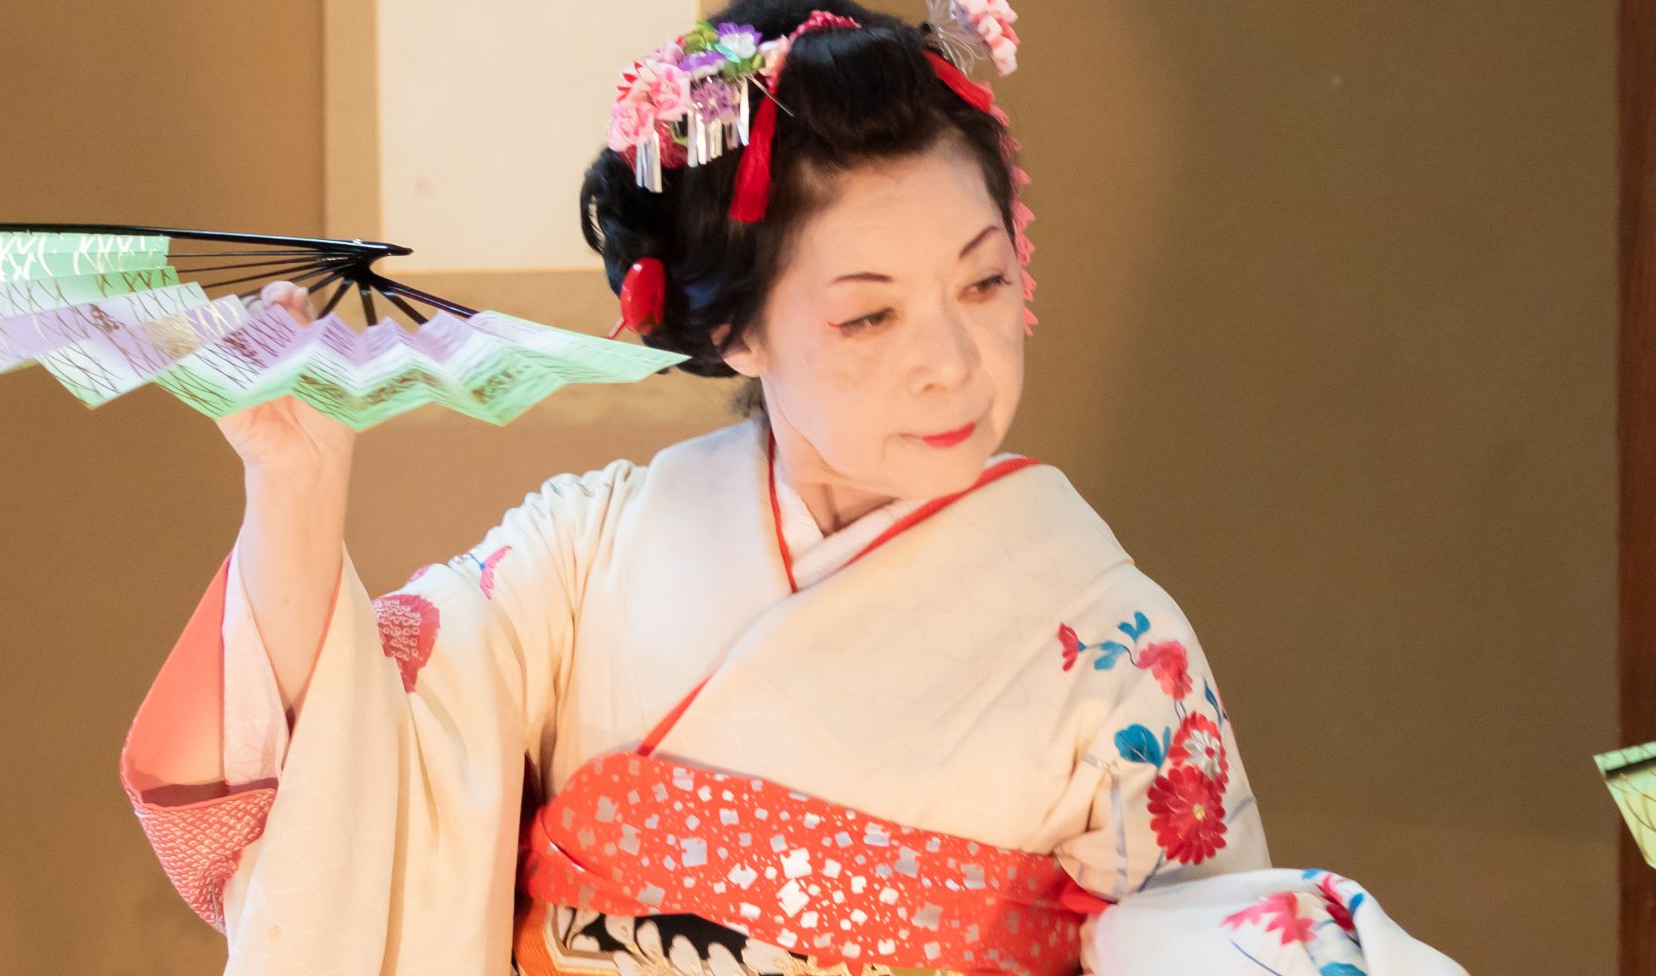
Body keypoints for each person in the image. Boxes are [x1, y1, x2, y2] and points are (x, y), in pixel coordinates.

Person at [112, 2, 1459, 972]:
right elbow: (361, 778)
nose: (953, 362)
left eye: (984, 283)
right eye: (869, 316)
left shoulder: (1116, 641)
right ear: (734, 330)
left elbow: (1205, 938)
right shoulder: (589, 555)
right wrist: (296, 483)